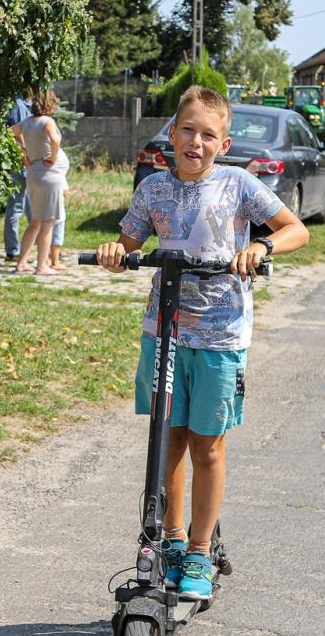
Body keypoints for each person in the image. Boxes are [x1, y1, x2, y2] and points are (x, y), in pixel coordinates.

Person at [94, 86, 309, 601]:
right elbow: (129, 244)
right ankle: (168, 540)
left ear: (224, 142)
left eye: (208, 134)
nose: (196, 141)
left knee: (208, 446)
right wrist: (113, 251)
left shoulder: (238, 185)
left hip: (219, 336)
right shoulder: (152, 190)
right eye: (187, 130)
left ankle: (198, 548)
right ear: (172, 134)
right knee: (167, 439)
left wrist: (261, 245)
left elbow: (295, 230)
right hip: (164, 331)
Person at [16, 87, 67, 275]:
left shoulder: (27, 122)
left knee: (35, 222)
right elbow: (55, 140)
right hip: (49, 176)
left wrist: (23, 151)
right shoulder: (47, 121)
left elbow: (9, 132)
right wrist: (53, 158)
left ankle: (21, 263)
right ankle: (42, 266)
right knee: (48, 222)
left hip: (33, 174)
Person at [3, 93, 33, 262]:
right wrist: (26, 155)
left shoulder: (24, 105)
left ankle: (39, 247)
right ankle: (13, 250)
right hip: (21, 163)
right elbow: (17, 133)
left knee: (29, 206)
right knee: (16, 206)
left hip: (25, 163)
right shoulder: (18, 105)